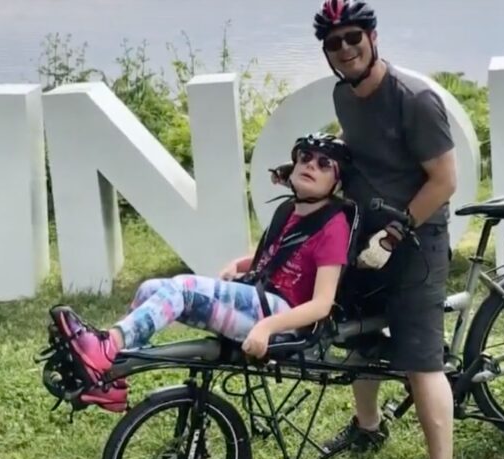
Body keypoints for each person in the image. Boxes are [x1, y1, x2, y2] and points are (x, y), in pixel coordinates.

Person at [291, 0, 464, 459]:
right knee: (352, 331)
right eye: (333, 42)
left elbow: (444, 180)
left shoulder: (415, 99)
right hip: (364, 235)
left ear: (372, 37)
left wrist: (396, 232)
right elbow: (361, 154)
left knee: (419, 361)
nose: (344, 49)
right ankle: (369, 427)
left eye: (352, 38)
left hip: (415, 243)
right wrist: (308, 170)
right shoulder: (344, 95)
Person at [54, 133, 353, 413]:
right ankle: (109, 377)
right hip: (261, 298)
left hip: (283, 318)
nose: (311, 165)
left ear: (337, 182)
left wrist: (267, 328)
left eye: (324, 164)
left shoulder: (333, 226)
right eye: (305, 157)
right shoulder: (290, 210)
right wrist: (240, 265)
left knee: (183, 289)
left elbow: (321, 304)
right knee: (149, 290)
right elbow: (280, 257)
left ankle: (107, 345)